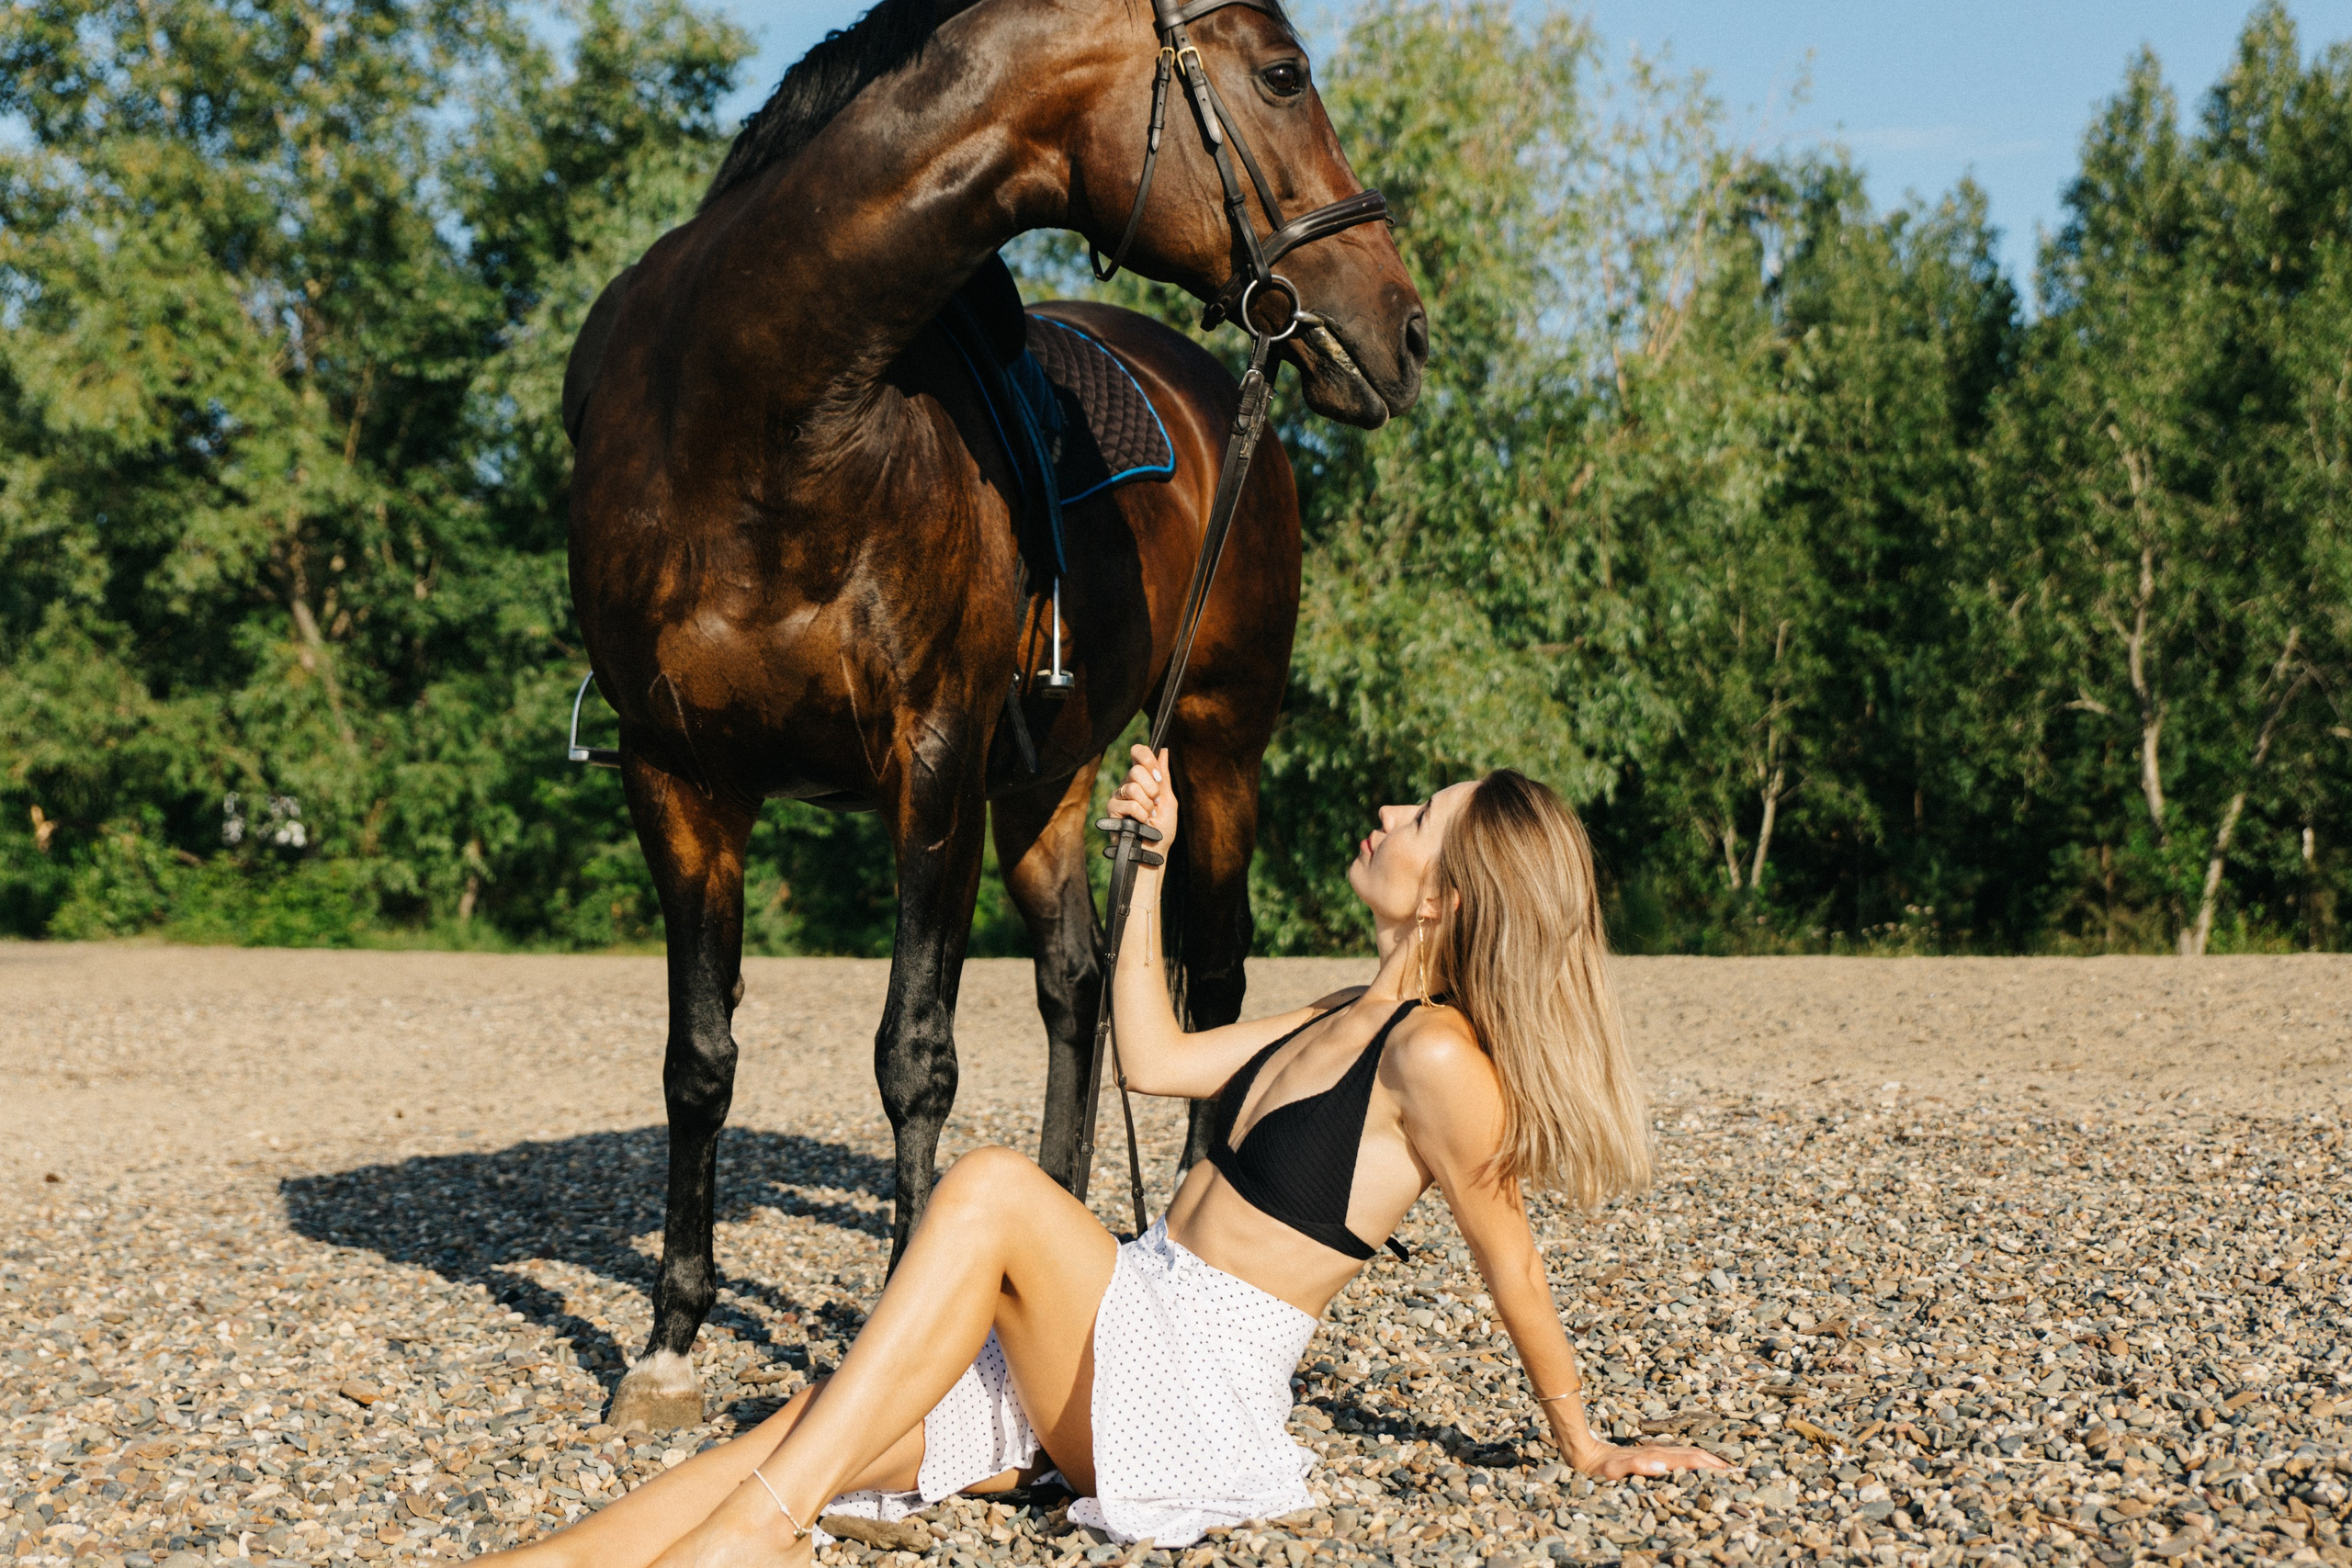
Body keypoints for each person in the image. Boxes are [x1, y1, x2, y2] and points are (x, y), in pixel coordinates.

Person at [481, 751, 1725, 1568]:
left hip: (1189, 1386)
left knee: (993, 1189)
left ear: (1451, 895)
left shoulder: (1440, 1059)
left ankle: (755, 1543)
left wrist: (1586, 1443)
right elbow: (1151, 1058)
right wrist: (1148, 865)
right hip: (1107, 1339)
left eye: (1424, 818)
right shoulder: (1345, 1010)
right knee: (801, 1430)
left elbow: (1509, 1256)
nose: (1393, 812)